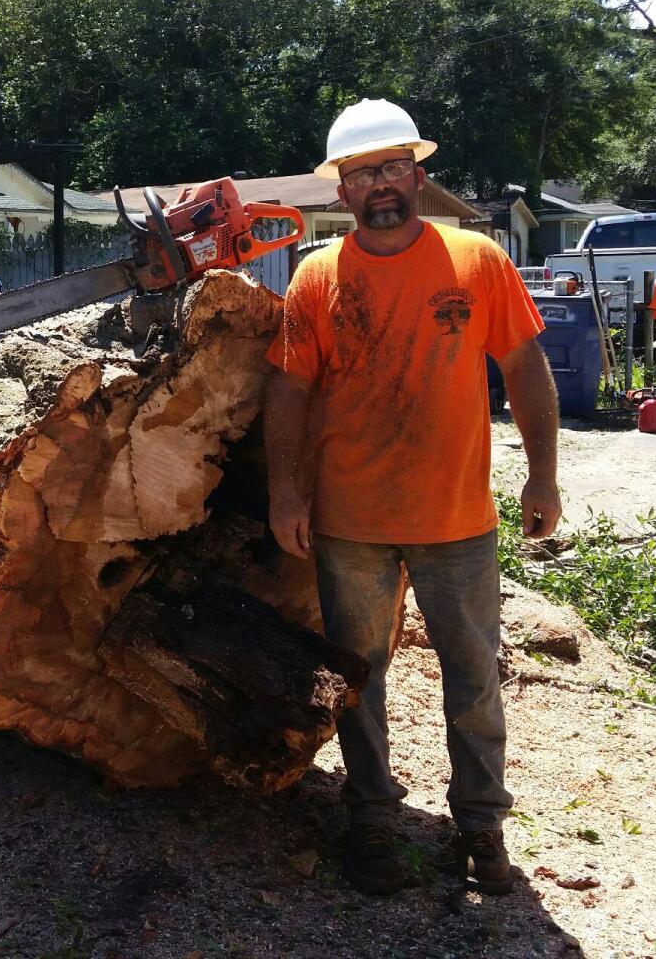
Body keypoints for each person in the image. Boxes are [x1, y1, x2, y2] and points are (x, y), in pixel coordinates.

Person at [262, 98, 562, 896]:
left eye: (394, 167)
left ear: (418, 175)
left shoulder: (478, 261)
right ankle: (371, 822)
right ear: (342, 191)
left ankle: (481, 827)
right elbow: (288, 391)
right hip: (349, 519)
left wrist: (543, 473)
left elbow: (526, 369)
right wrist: (284, 492)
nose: (382, 185)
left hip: (456, 518)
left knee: (473, 679)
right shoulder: (317, 275)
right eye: (364, 173)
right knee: (358, 682)